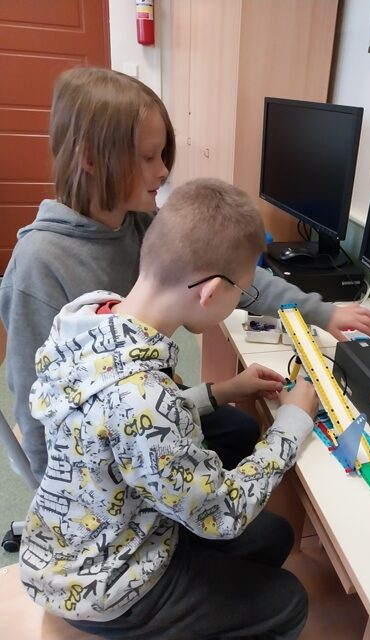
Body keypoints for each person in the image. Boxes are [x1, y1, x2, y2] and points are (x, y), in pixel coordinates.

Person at [0, 66, 370, 483]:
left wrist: (324, 313)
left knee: (241, 430)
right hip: (103, 462)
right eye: (148, 157)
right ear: (89, 158)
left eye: (163, 155)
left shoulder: (139, 222)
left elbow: (233, 273)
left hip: (149, 405)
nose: (163, 170)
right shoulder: (39, 264)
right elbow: (36, 414)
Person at [21, 178, 319, 639]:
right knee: (290, 603)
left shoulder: (89, 315)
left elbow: (121, 420)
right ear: (211, 292)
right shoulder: (146, 397)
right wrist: (292, 423)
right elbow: (223, 513)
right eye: (241, 292)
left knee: (274, 536)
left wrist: (221, 391)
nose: (238, 302)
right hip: (104, 588)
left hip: (79, 535)